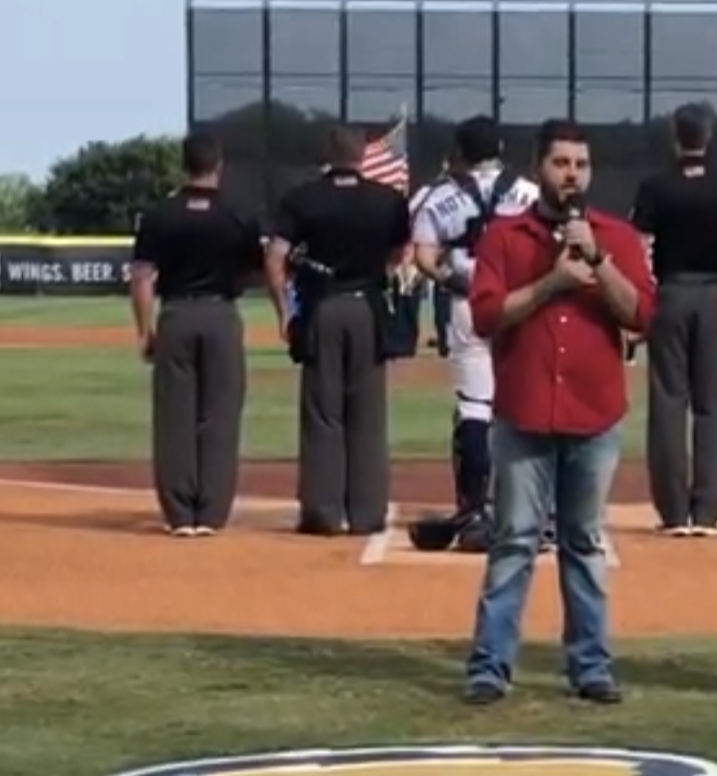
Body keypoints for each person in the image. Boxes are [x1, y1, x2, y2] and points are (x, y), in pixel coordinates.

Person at [461, 118, 657, 705]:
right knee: (514, 542)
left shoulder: (614, 236)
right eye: (561, 163)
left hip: (594, 413)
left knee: (583, 541)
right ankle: (490, 666)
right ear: (538, 168)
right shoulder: (504, 237)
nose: (572, 174)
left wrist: (597, 262)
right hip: (523, 412)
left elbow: (641, 315)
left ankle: (591, 664)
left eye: (581, 164)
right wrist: (550, 283)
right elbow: (486, 316)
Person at [263, 127, 412, 536]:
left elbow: (275, 259)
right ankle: (367, 513)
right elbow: (402, 252)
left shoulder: (302, 199)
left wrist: (284, 312)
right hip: (369, 308)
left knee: (323, 413)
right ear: (363, 155)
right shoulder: (389, 200)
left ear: (327, 154)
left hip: (321, 309)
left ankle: (322, 512)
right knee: (368, 414)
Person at [630, 103, 717, 537]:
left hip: (670, 293)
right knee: (714, 405)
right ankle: (707, 510)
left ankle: (672, 512)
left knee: (668, 402)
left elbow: (640, 249)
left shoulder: (655, 186)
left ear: (675, 135)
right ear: (709, 135)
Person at [126, 129, 264, 537]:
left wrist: (144, 331)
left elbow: (141, 279)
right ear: (219, 165)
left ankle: (180, 514)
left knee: (174, 417)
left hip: (176, 315)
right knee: (219, 415)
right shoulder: (239, 213)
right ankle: (211, 512)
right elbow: (255, 267)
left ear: (183, 164)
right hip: (221, 314)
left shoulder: (159, 214)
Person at [408, 117, 538, 532]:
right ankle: (533, 507)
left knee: (475, 405)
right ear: (500, 147)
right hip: (521, 302)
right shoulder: (530, 192)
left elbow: (425, 260)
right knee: (526, 402)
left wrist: (459, 280)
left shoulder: (439, 197)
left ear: (459, 152)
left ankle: (474, 507)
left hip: (468, 303)